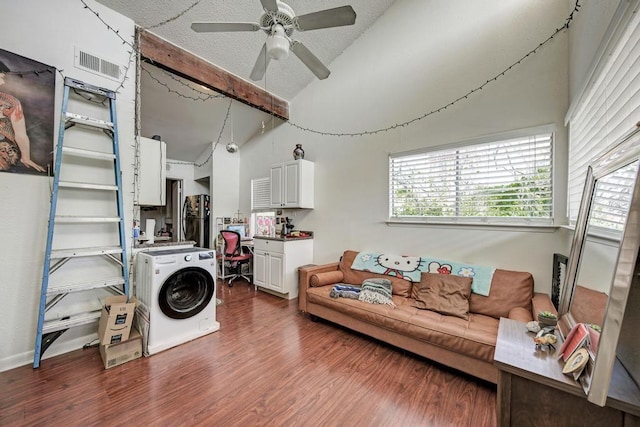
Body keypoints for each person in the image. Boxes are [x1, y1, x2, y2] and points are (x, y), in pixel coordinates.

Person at [0, 60, 45, 172]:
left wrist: (26, 158)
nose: (2, 82)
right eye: (0, 77)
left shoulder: (11, 102)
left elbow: (20, 134)